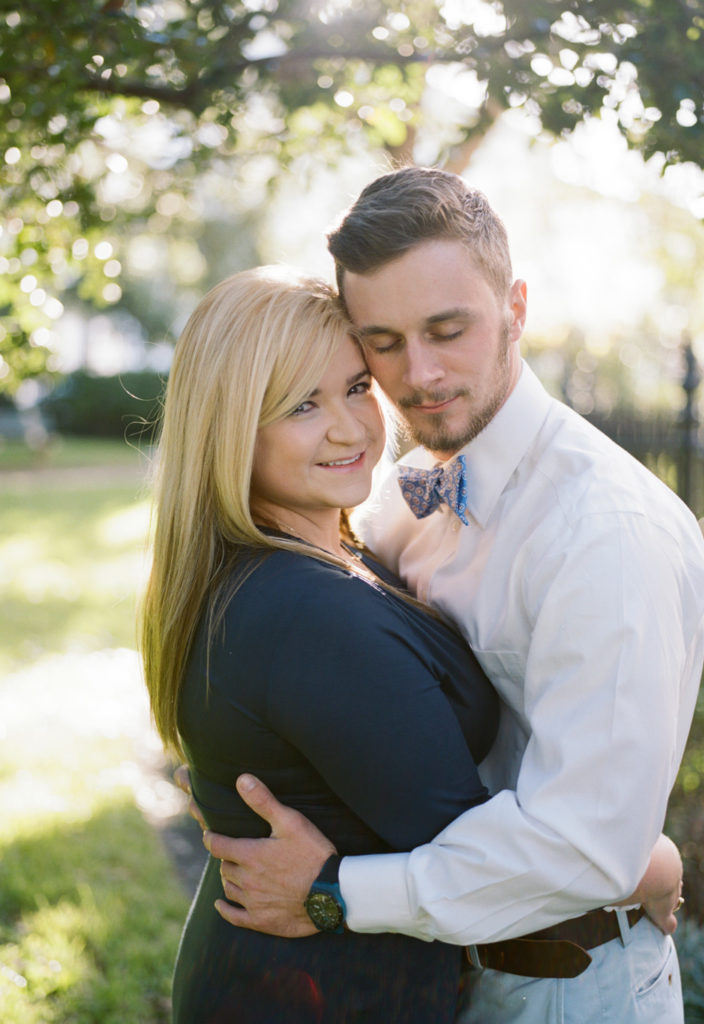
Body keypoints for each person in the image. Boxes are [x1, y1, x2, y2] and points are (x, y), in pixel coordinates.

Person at [194, 168, 704, 1023]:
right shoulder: (396, 497)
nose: (419, 374)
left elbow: (584, 846)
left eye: (448, 330)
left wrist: (335, 892)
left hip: (563, 983)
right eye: (384, 344)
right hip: (433, 977)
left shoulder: (608, 533)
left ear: (514, 307)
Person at [139, 266, 509, 1022]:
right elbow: (481, 867)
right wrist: (642, 866)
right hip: (317, 997)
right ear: (233, 427)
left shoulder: (316, 558)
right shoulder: (307, 614)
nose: (351, 427)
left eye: (353, 387)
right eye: (302, 405)